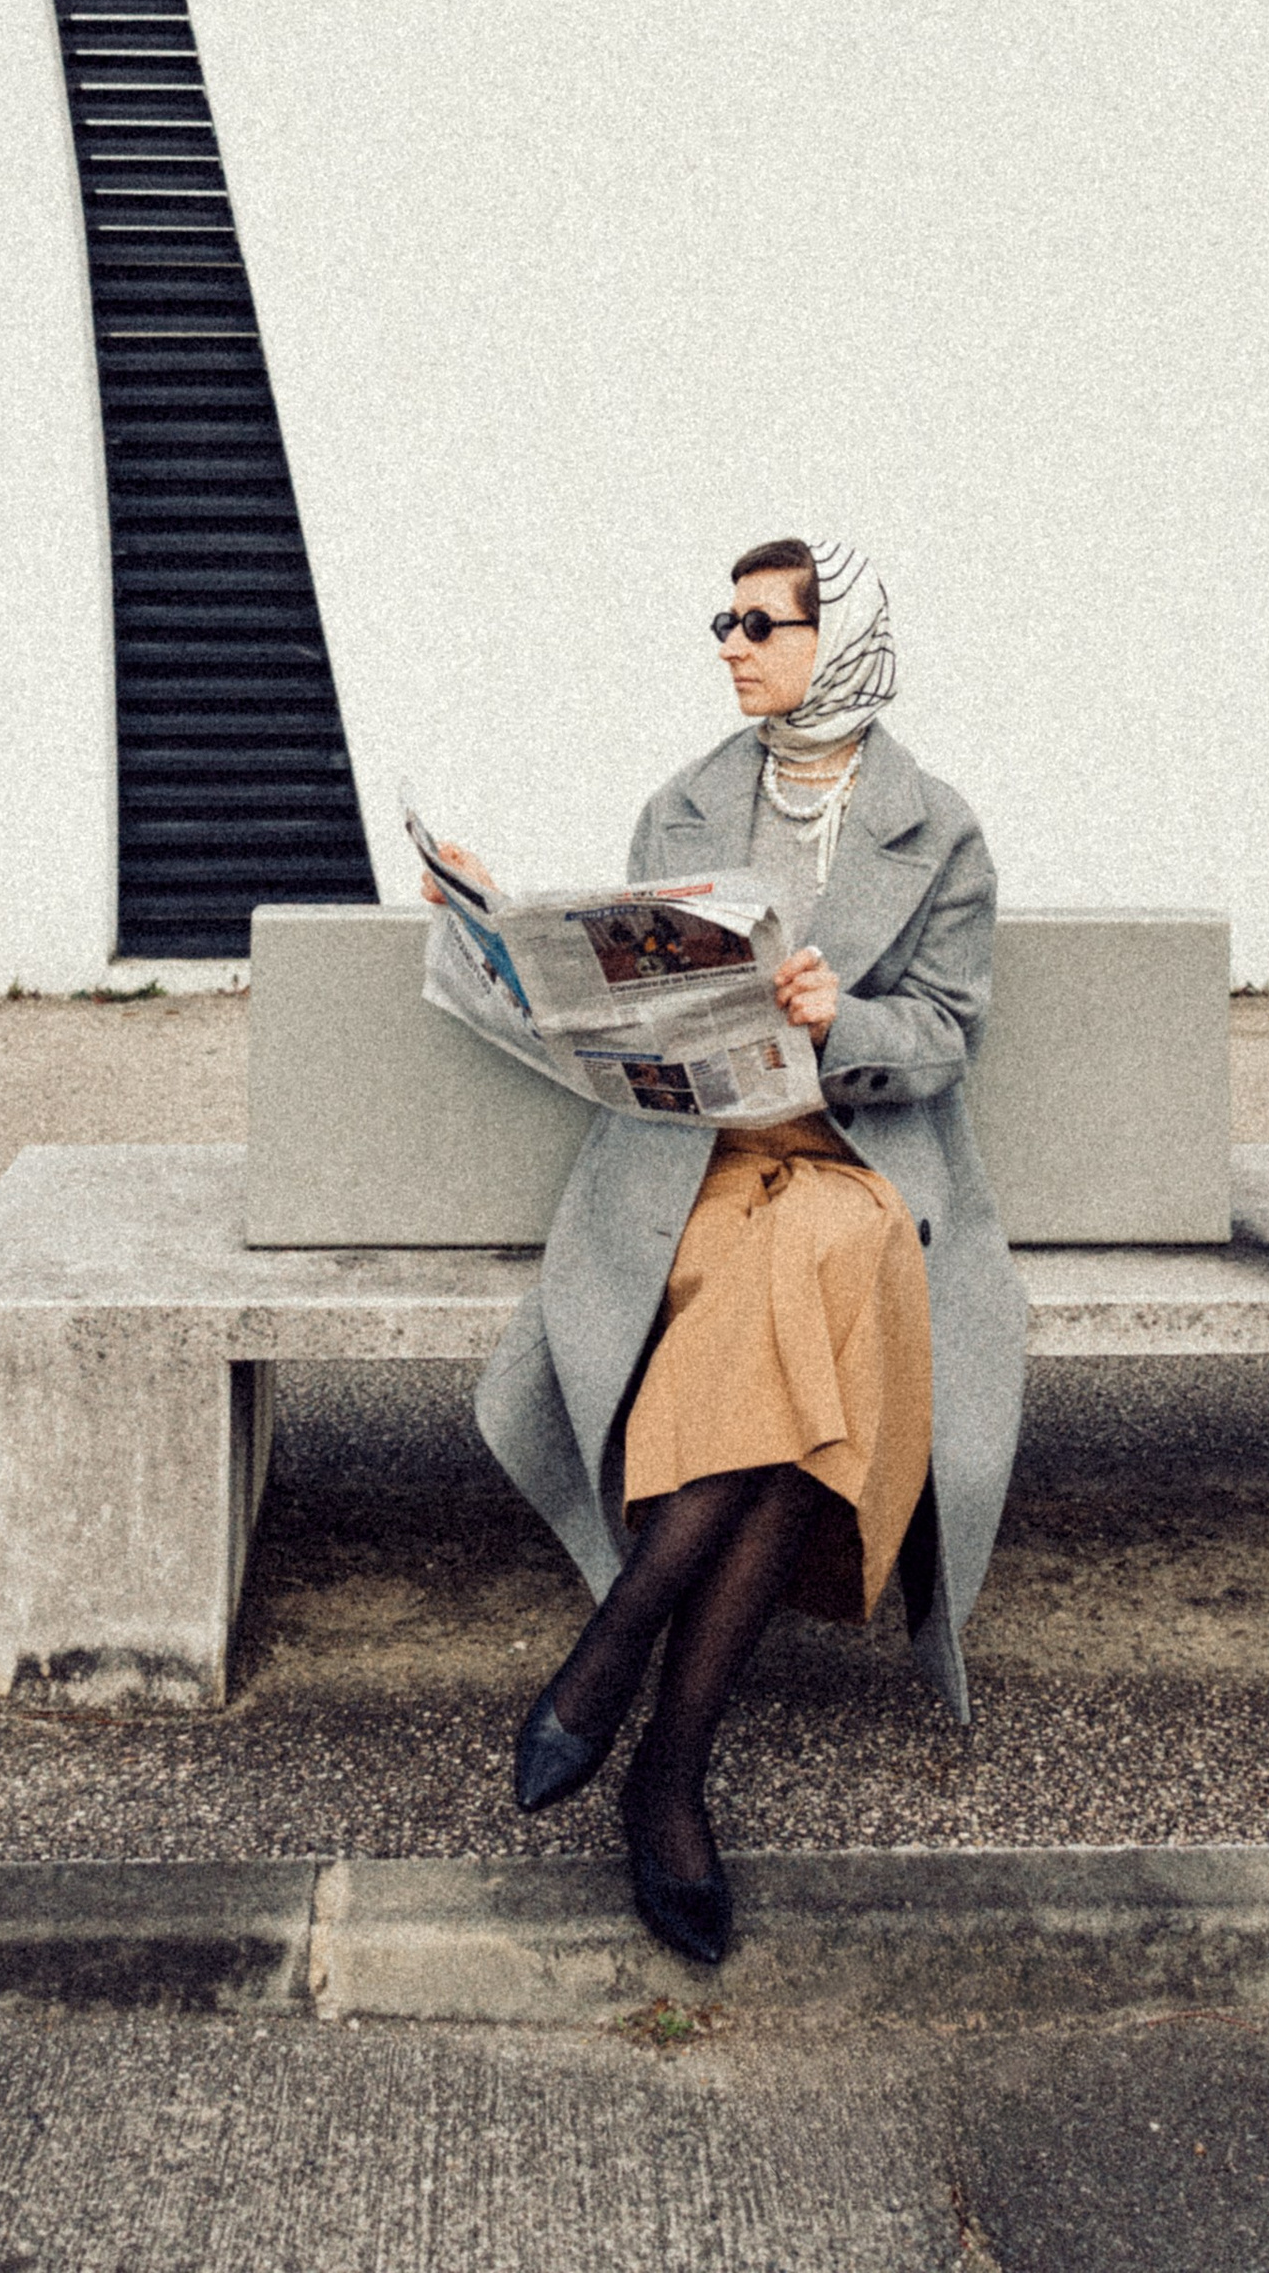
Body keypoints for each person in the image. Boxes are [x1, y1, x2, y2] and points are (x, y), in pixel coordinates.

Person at [418, 534, 1024, 1969]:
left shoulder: (937, 831)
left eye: (762, 623)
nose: (733, 645)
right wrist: (507, 933)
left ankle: (624, 1653)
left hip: (857, 1162)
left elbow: (945, 1032)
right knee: (795, 1298)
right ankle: (665, 1776)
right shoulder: (683, 804)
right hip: (697, 1166)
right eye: (724, 621)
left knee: (820, 1249)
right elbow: (624, 1013)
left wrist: (838, 1028)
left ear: (844, 643)